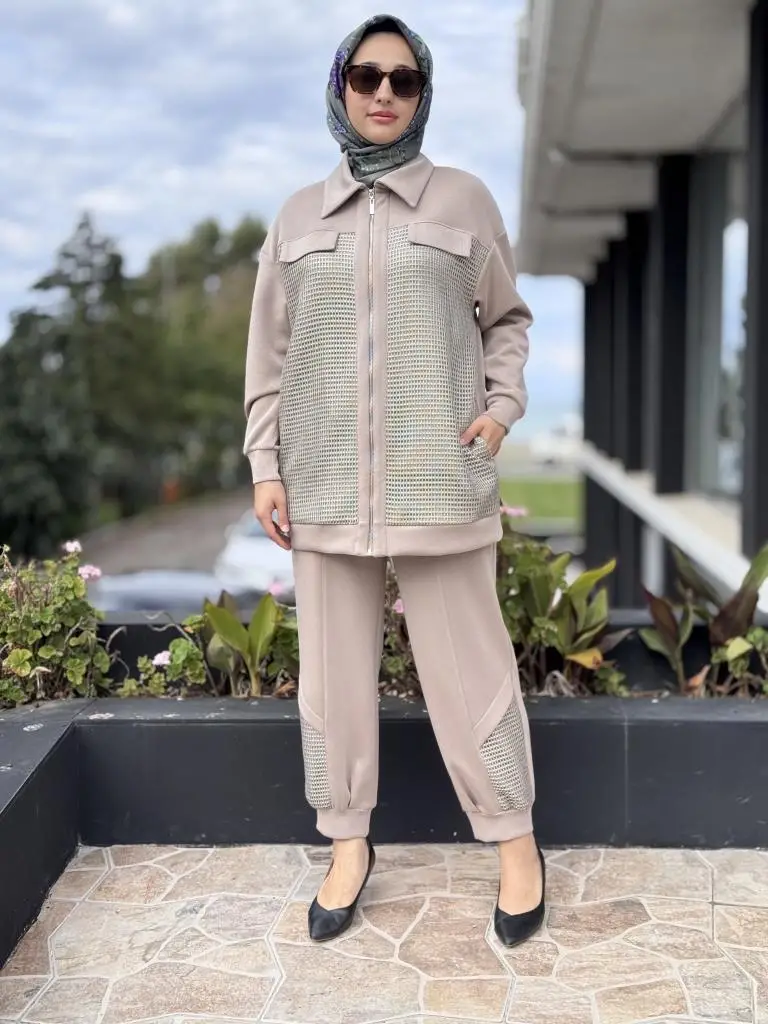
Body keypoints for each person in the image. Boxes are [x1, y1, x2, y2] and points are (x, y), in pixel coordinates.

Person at [243, 13, 543, 948]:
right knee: (331, 684)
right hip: (325, 482)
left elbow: (507, 320)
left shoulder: (464, 201)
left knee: (474, 673)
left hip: (440, 480)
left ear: (422, 94)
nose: (383, 93)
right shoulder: (298, 217)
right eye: (366, 77)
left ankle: (516, 845)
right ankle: (347, 845)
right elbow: (269, 355)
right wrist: (265, 463)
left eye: (403, 80)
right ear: (340, 86)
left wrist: (499, 410)